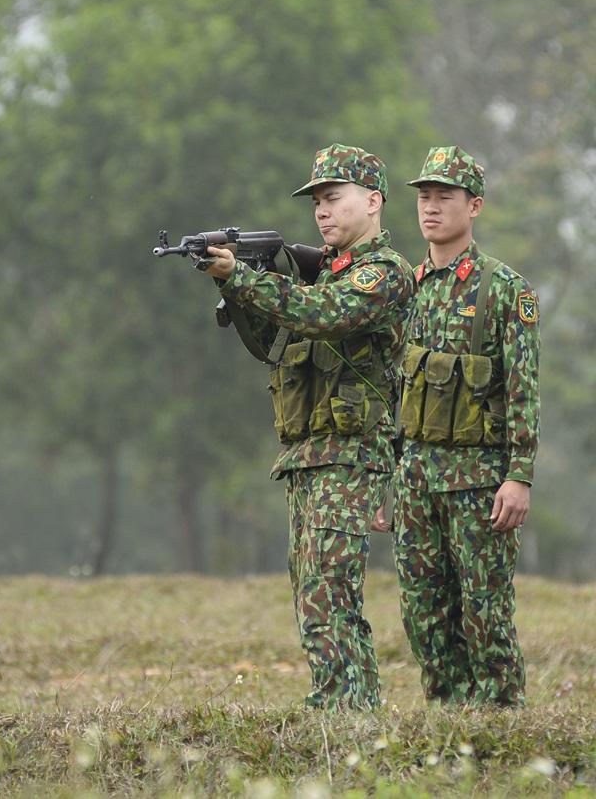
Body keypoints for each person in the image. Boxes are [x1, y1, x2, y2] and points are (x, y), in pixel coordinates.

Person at [201, 143, 415, 710]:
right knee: (311, 593)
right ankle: (337, 706)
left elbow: (324, 317)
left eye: (333, 198)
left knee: (331, 590)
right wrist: (234, 283)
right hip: (307, 457)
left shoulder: (385, 275)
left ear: (373, 202)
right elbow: (273, 336)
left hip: (350, 456)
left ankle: (349, 715)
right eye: (316, 201)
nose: (321, 211)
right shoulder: (320, 277)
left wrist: (242, 279)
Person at [393, 145, 540, 707]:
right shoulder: (407, 287)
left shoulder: (504, 289)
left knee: (484, 612)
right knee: (423, 611)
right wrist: (388, 475)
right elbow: (393, 390)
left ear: (473, 205)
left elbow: (523, 386)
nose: (430, 208)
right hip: (415, 480)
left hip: (480, 480)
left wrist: (519, 475)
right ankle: (448, 730)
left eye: (444, 197)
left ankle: (503, 729)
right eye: (424, 198)